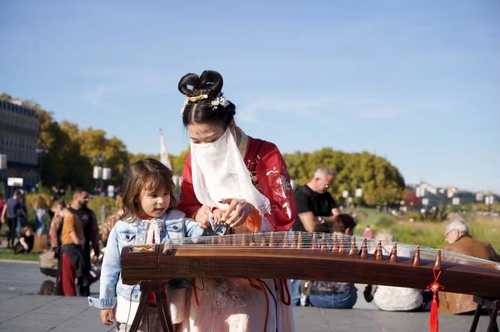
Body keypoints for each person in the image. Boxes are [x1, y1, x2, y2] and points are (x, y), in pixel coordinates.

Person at [176, 70, 297, 331]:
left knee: (246, 321)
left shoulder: (264, 154)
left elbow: (284, 215)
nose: (203, 148)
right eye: (195, 140)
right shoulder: (192, 159)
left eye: (211, 139)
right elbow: (185, 205)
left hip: (255, 264)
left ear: (230, 127)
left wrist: (251, 209)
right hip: (208, 264)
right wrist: (199, 212)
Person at [88, 158, 205, 331]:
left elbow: (201, 234)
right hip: (132, 303)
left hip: (168, 302)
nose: (161, 201)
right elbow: (110, 268)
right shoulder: (122, 228)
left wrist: (210, 220)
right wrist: (107, 302)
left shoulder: (178, 221)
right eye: (153, 195)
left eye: (166, 193)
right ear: (136, 196)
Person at [438, 216, 500, 314]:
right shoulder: (486, 246)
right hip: (486, 304)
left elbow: (436, 274)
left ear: (456, 232)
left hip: (459, 308)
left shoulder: (448, 250)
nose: (446, 239)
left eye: (447, 234)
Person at [298, 214, 358, 309]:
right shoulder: (353, 249)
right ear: (348, 231)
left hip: (318, 298)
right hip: (345, 299)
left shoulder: (319, 244)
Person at [363, 230, 428, 312]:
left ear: (377, 242)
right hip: (412, 301)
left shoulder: (373, 252)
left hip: (384, 302)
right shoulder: (407, 251)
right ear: (392, 239)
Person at [67, 188, 100, 296]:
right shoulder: (67, 213)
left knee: (84, 280)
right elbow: (54, 230)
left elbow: (94, 233)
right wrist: (54, 247)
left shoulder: (89, 214)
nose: (87, 200)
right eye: (84, 197)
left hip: (84, 251)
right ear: (76, 197)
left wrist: (96, 250)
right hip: (68, 251)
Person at [292, 166, 340, 233]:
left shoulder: (327, 195)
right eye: (326, 185)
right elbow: (311, 227)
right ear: (317, 179)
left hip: (325, 240)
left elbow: (339, 220)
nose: (328, 188)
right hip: (306, 241)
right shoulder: (301, 194)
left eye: (330, 186)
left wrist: (320, 219)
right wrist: (331, 222)